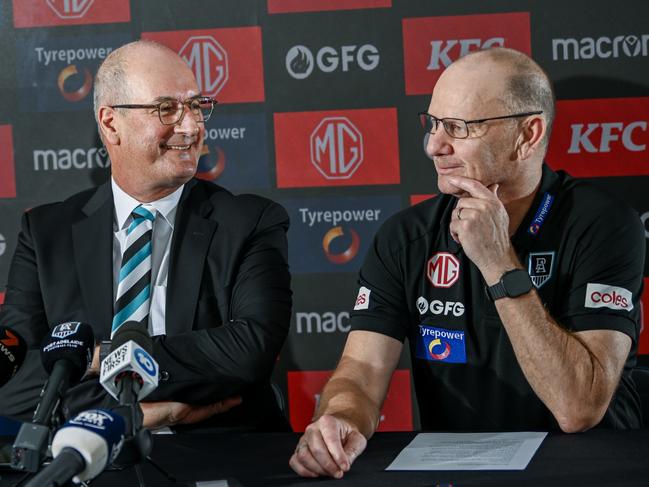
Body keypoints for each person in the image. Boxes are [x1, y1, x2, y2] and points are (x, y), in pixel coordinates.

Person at [290, 47, 645, 478]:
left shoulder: (603, 225)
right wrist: (341, 417)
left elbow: (578, 408)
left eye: (459, 127)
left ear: (528, 134)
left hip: (587, 470)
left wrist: (498, 262)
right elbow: (363, 369)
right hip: (460, 471)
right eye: (433, 124)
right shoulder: (406, 237)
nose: (434, 146)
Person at [0, 40, 292, 431]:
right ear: (110, 123)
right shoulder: (45, 233)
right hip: (91, 460)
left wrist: (95, 359)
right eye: (167, 108)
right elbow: (10, 377)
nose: (191, 127)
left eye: (196, 106)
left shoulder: (250, 222)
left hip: (221, 455)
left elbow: (249, 351)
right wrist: (130, 415)